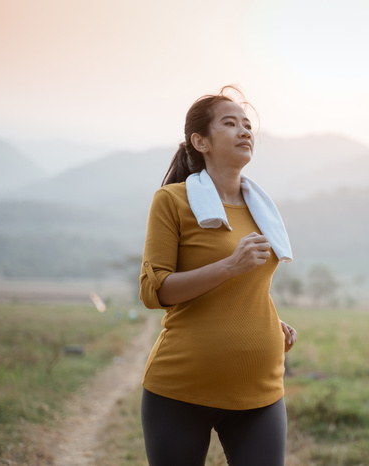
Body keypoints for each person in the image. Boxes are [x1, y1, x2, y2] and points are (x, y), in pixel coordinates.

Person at [139, 85, 297, 466]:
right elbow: (153, 290)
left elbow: (250, 284)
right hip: (181, 390)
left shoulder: (262, 208)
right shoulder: (172, 201)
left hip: (260, 392)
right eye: (230, 123)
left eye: (247, 125)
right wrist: (229, 266)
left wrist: (268, 320)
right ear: (201, 141)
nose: (245, 131)